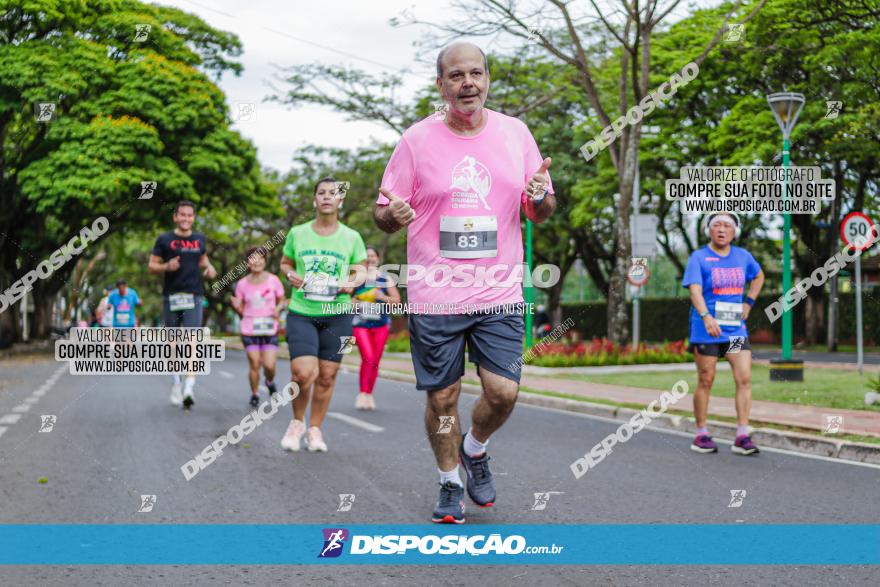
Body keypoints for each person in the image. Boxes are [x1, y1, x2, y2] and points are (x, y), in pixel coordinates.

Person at [373, 42, 556, 524]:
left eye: (476, 73)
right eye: (456, 76)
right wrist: (391, 214)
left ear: (488, 79)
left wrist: (538, 199)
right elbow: (383, 212)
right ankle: (450, 480)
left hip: (498, 290)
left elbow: (538, 210)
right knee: (444, 398)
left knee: (503, 393)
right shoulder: (415, 139)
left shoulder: (516, 134)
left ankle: (475, 448)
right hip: (436, 294)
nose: (467, 83)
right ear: (441, 85)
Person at [278, 177, 367, 452]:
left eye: (333, 193)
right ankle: (296, 422)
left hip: (338, 313)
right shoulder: (298, 232)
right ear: (314, 199)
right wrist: (291, 275)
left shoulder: (352, 237)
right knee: (302, 374)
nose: (327, 197)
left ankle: (315, 429)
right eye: (322, 193)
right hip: (302, 312)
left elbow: (361, 269)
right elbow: (285, 262)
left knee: (327, 376)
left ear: (341, 200)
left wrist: (350, 283)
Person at [683, 213, 765, 456]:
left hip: (734, 330)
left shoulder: (743, 256)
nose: (721, 229)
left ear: (734, 231)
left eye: (727, 225)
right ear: (708, 230)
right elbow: (695, 291)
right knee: (706, 379)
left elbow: (759, 276)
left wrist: (748, 303)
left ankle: (742, 435)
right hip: (707, 330)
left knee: (744, 378)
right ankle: (701, 434)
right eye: (716, 225)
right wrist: (706, 316)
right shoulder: (698, 257)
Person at [148, 200, 218, 409]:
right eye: (182, 215)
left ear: (193, 218)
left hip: (194, 295)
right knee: (172, 344)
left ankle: (189, 386)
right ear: (175, 217)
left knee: (192, 341)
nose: (186, 219)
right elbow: (151, 266)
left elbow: (203, 260)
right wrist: (166, 266)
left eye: (190, 215)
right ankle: (176, 382)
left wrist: (210, 268)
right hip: (171, 296)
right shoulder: (164, 239)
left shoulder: (199, 239)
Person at [231, 246, 286, 408]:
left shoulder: (273, 280)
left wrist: (277, 310)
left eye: (260, 258)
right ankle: (255, 393)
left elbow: (282, 300)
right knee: (254, 363)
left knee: (269, 365)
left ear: (265, 260)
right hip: (250, 328)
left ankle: (269, 381)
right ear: (248, 263)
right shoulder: (242, 284)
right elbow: (241, 309)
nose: (257, 262)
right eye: (253, 259)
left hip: (269, 327)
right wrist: (236, 306)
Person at [351, 245, 400, 410]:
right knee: (368, 357)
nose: (370, 259)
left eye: (373, 256)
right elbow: (344, 298)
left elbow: (397, 301)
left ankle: (368, 394)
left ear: (378, 259)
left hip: (381, 325)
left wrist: (383, 297)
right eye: (367, 257)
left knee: (375, 361)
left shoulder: (386, 278)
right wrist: (353, 302)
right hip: (361, 324)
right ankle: (362, 393)